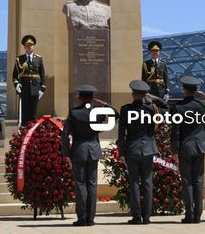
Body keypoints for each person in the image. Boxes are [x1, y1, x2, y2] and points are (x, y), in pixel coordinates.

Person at [117, 79, 169, 225]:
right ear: (146, 94)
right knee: (147, 182)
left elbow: (121, 134)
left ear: (133, 94)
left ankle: (136, 216)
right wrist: (157, 99)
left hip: (132, 149)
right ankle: (147, 217)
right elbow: (168, 109)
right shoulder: (152, 109)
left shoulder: (125, 109)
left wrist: (121, 153)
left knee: (133, 182)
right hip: (148, 149)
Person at [61, 85, 112, 226]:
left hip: (79, 150)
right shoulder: (98, 112)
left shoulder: (74, 113)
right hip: (93, 150)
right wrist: (105, 104)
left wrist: (66, 153)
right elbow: (114, 114)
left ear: (80, 98)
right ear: (92, 98)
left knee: (80, 185)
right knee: (92, 184)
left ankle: (82, 218)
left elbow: (65, 135)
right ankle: (90, 218)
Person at [171, 76, 205, 224]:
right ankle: (198, 214)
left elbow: (175, 132)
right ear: (196, 90)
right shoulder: (203, 104)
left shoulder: (178, 107)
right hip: (200, 146)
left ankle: (189, 215)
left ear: (184, 90)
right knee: (198, 180)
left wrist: (174, 151)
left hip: (185, 147)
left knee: (187, 181)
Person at [12, 35, 46, 125]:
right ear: (24, 47)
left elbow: (42, 74)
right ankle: (24, 133)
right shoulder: (19, 59)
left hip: (35, 88)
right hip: (24, 88)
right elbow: (15, 75)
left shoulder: (38, 58)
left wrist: (42, 88)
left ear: (33, 46)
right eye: (27, 45)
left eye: (31, 45)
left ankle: (32, 134)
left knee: (33, 113)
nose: (29, 47)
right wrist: (17, 85)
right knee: (24, 113)